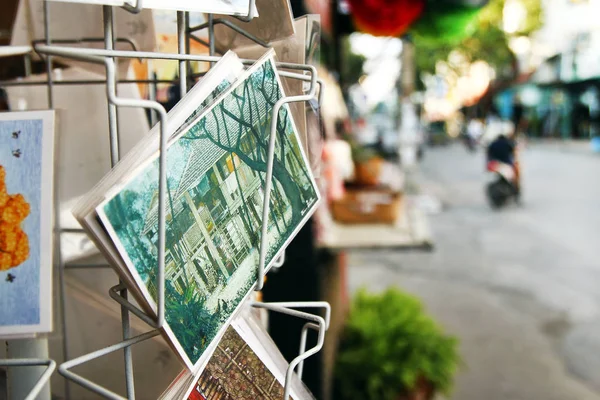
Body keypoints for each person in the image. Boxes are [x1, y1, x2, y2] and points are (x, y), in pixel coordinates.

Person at [486, 132, 521, 199]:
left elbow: (488, 155)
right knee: (514, 177)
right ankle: (516, 194)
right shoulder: (507, 143)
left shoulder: (493, 144)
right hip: (505, 165)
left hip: (494, 164)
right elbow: (514, 153)